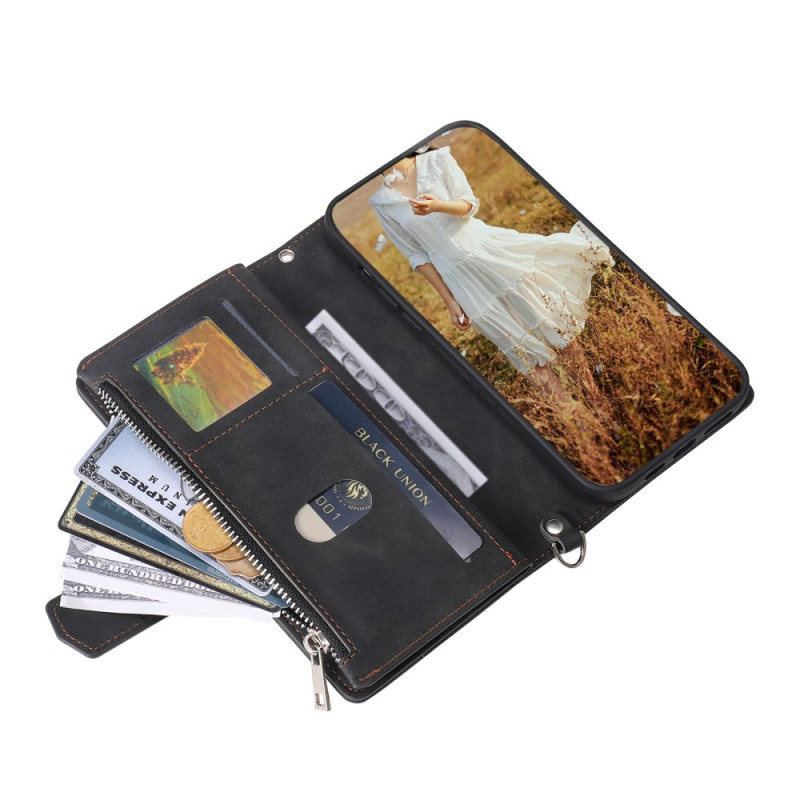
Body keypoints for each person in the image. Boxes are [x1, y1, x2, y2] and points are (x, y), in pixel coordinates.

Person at [369, 144, 614, 391]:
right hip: (460, 280)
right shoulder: (383, 203)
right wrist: (450, 301)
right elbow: (416, 255)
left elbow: (469, 205)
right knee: (519, 348)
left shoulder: (437, 161)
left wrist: (438, 206)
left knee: (548, 320)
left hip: (490, 251)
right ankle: (573, 412)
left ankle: (594, 397)